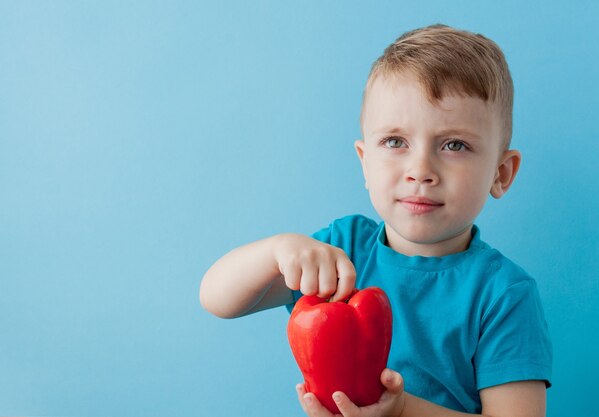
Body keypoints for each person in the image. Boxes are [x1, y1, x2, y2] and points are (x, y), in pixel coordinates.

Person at [199, 24, 553, 417]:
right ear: (365, 162)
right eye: (395, 142)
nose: (420, 170)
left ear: (500, 174)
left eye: (454, 145)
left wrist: (401, 410)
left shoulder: (503, 293)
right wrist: (277, 249)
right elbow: (217, 300)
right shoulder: (340, 251)